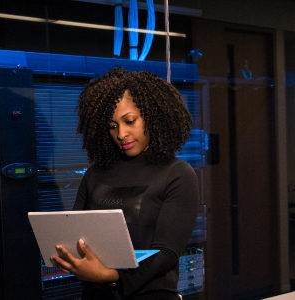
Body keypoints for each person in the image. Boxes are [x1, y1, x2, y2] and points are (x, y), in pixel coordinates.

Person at [50, 68, 199, 300]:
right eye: (112, 126)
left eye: (130, 121)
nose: (121, 133)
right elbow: (76, 235)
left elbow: (167, 252)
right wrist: (69, 258)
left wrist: (111, 276)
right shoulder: (94, 175)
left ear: (152, 116)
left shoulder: (177, 174)